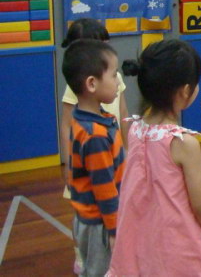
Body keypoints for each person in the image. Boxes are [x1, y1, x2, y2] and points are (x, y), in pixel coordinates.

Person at [108, 39, 201, 276]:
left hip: (143, 241)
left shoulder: (135, 129)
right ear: (185, 91)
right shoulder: (184, 144)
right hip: (178, 246)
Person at [58, 18, 128, 275]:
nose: (117, 80)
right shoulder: (95, 135)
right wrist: (114, 229)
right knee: (100, 270)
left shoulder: (96, 118)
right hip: (100, 223)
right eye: (112, 74)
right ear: (91, 83)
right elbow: (104, 190)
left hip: (96, 218)